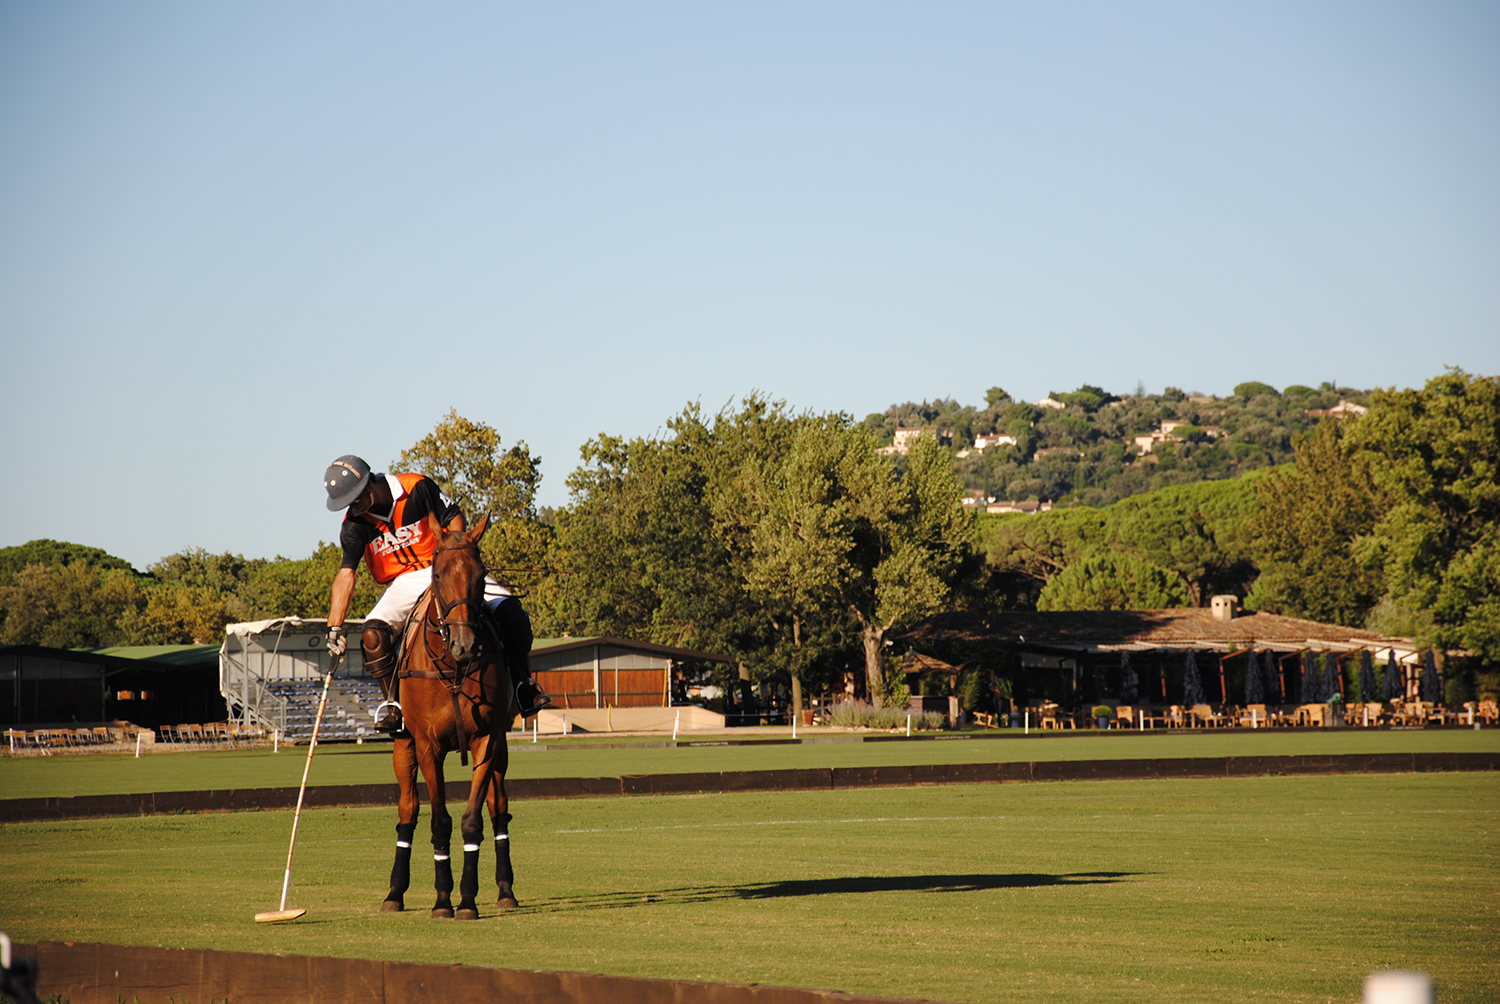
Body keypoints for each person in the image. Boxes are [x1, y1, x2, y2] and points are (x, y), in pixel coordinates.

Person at [322, 454, 549, 733]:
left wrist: (457, 559)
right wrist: (334, 626)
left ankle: (523, 686)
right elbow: (347, 574)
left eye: (354, 499)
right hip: (403, 582)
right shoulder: (354, 525)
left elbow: (453, 518)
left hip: (447, 569)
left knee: (512, 612)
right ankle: (394, 705)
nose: (353, 508)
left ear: (368, 484)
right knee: (372, 636)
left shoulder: (416, 488)